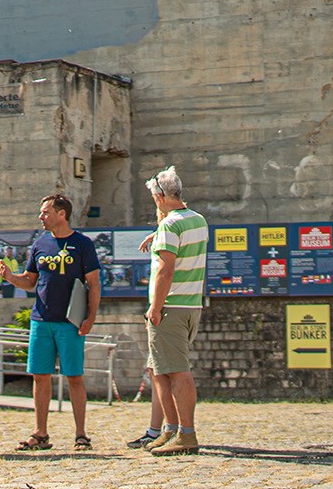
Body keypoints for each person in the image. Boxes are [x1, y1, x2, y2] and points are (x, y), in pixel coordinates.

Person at [0, 193, 100, 451]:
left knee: (74, 377)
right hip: (41, 321)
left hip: (70, 322)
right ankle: (40, 434)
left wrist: (90, 317)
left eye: (45, 212)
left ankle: (81, 435)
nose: (40, 217)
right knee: (40, 376)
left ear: (61, 214)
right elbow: (30, 281)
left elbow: (94, 283)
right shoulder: (40, 244)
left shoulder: (83, 244)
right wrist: (10, 277)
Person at [141, 166, 208, 456]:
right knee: (159, 369)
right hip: (191, 305)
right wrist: (156, 233)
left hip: (170, 306)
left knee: (177, 371)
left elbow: (165, 270)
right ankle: (171, 428)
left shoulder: (169, 225)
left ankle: (187, 433)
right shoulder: (197, 219)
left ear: (159, 197)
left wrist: (155, 308)